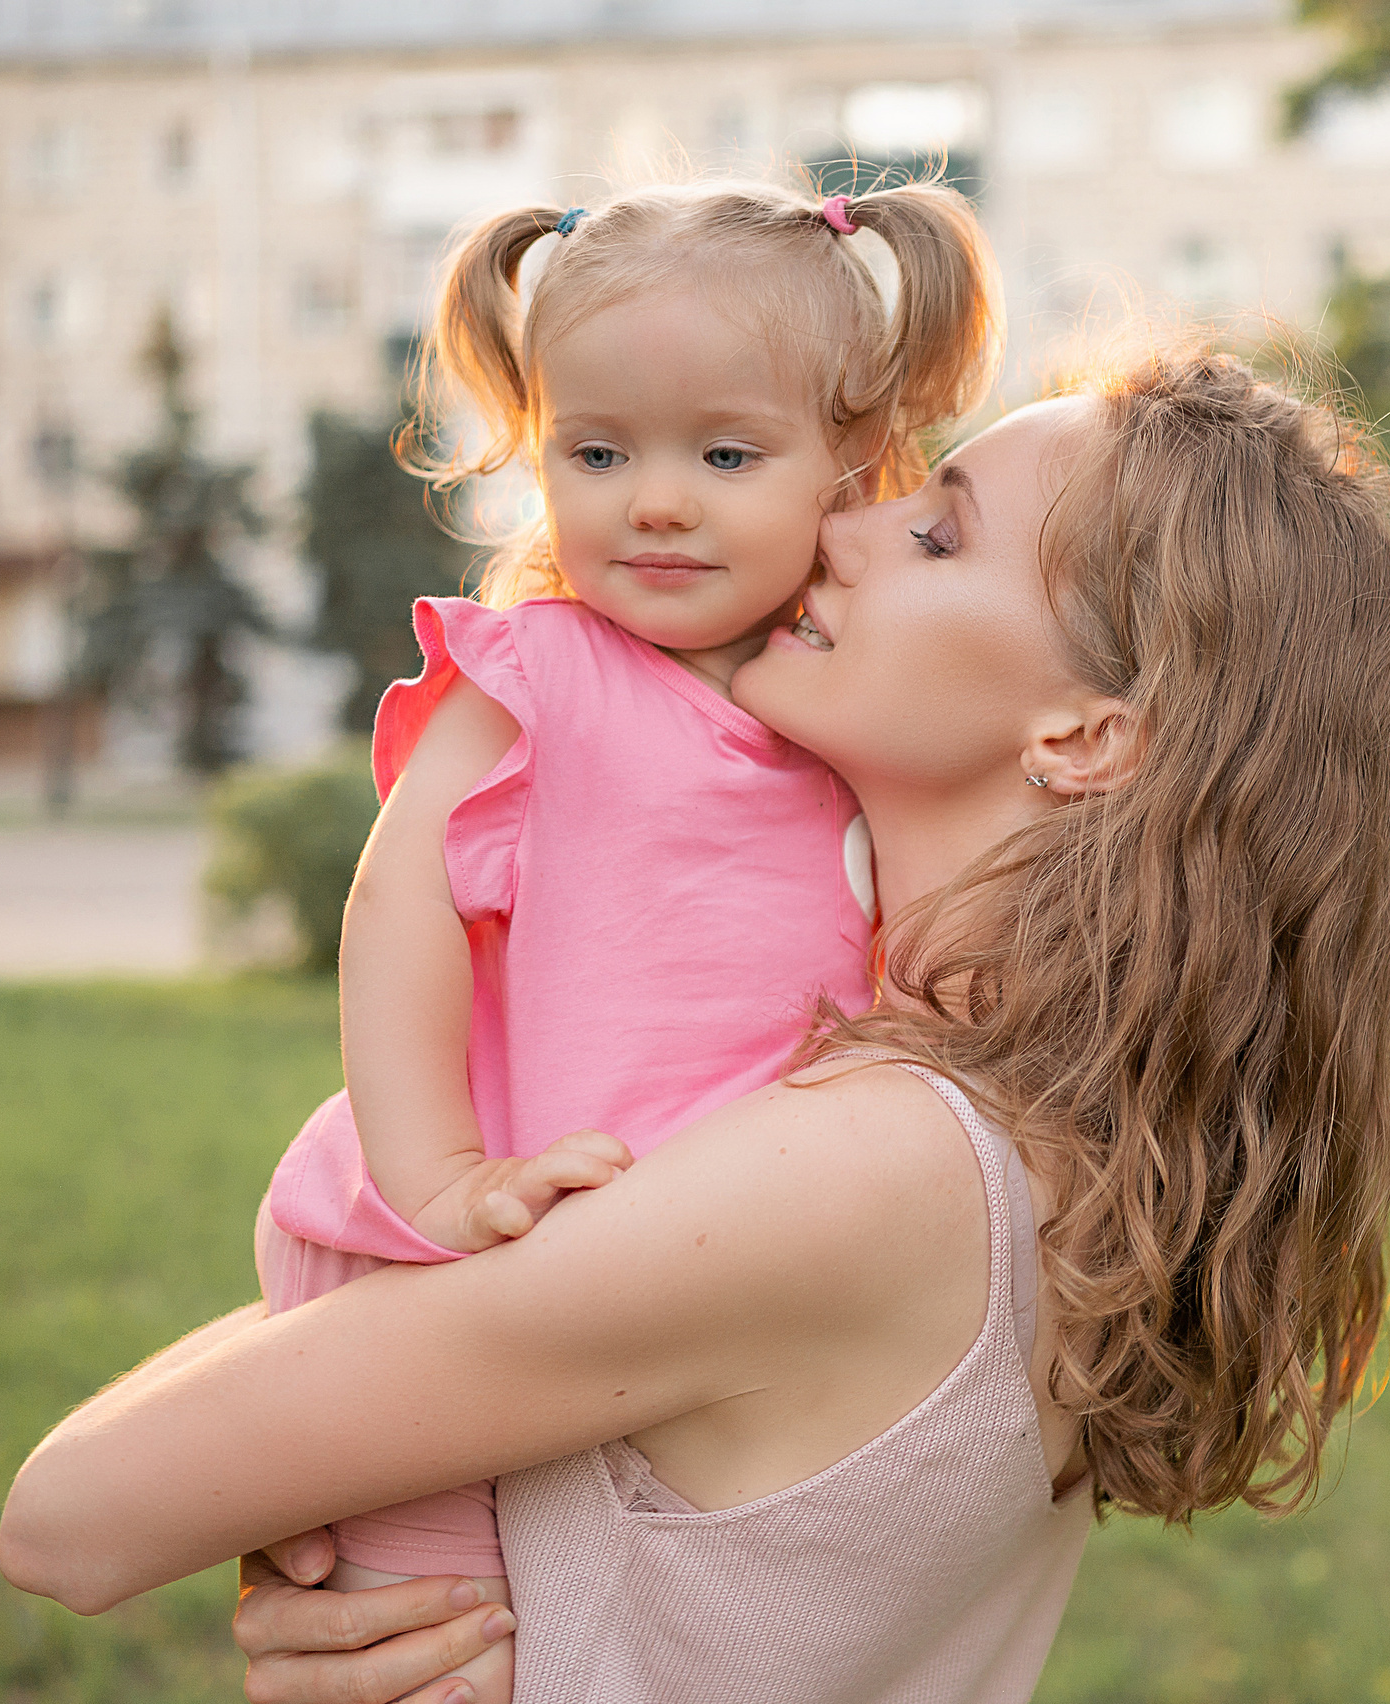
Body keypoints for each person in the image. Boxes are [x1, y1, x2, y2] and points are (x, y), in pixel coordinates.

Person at [0, 345, 1390, 1704]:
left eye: (939, 534)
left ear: (1086, 735)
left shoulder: (875, 1167)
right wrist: (358, 1453)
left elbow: (69, 1516)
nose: (839, 529)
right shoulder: (1056, 1136)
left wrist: (300, 1499)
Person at [242, 176, 999, 1700]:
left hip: (678, 1295)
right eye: (596, 452)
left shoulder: (839, 705)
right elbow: (400, 910)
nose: (654, 500)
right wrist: (439, 1179)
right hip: (454, 1255)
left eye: (726, 453)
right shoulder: (537, 674)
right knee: (441, 1662)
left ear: (854, 460)